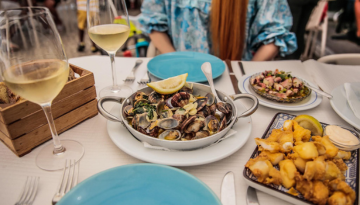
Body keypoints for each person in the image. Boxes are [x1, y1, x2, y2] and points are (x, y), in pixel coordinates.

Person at [139, 0, 297, 61]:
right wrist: (176, 60)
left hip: (236, 72)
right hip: (183, 69)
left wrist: (247, 74)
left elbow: (276, 34)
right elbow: (153, 22)